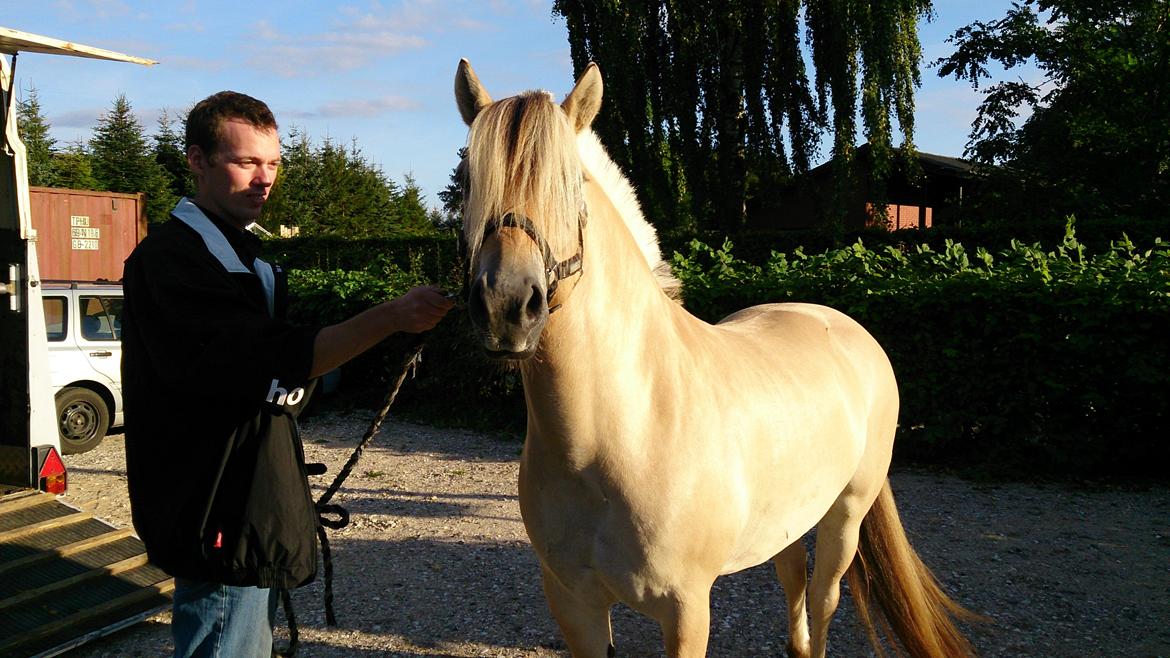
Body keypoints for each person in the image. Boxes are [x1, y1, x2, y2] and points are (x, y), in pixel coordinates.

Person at [121, 90, 453, 657]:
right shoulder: (174, 260)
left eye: (273, 163)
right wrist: (392, 317)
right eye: (246, 161)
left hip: (252, 504)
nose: (264, 179)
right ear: (196, 160)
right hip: (217, 511)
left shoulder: (246, 256)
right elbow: (271, 362)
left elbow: (286, 373)